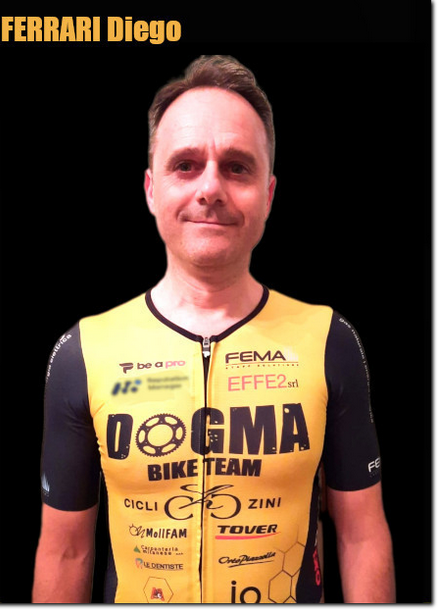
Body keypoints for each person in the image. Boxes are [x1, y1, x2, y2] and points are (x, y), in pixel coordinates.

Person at [32, 55, 395, 603]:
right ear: (151, 189)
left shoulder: (330, 341)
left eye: (237, 167)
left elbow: (362, 536)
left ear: (268, 194)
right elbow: (66, 552)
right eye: (185, 165)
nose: (210, 188)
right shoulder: (82, 352)